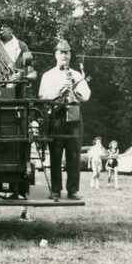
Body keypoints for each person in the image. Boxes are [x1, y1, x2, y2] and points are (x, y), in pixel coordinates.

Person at [38, 39, 91, 200]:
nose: (64, 56)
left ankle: (73, 190)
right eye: (61, 52)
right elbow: (42, 95)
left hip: (74, 113)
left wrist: (75, 87)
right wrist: (59, 89)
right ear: (55, 54)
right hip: (56, 115)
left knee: (74, 153)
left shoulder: (76, 74)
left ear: (70, 55)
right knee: (55, 153)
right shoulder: (48, 75)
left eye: (66, 53)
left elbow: (86, 96)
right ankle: (55, 189)